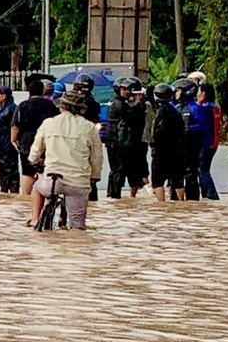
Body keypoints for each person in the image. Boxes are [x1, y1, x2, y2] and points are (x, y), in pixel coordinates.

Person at [28, 81, 107, 230]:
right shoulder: (89, 127)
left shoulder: (48, 123)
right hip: (78, 184)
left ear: (61, 106)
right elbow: (97, 157)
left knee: (37, 187)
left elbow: (35, 151)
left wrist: (35, 162)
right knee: (78, 226)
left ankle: (34, 219)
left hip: (52, 181)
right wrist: (94, 177)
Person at [105, 79, 148, 199]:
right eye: (124, 89)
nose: (126, 92)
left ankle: (115, 196)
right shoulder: (119, 103)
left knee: (121, 170)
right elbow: (129, 115)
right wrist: (139, 104)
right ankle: (114, 195)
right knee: (118, 170)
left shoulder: (120, 102)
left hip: (120, 142)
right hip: (118, 143)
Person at [14, 77, 58, 191]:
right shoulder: (50, 105)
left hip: (26, 142)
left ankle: (26, 198)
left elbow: (15, 125)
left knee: (27, 172)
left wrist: (13, 140)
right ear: (42, 90)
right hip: (46, 142)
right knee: (44, 171)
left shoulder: (23, 105)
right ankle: (43, 198)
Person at [147, 83, 186, 201]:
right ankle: (181, 202)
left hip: (161, 152)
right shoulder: (175, 111)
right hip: (177, 151)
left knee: (158, 180)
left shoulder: (160, 112)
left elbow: (158, 133)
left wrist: (153, 145)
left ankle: (161, 205)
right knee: (178, 179)